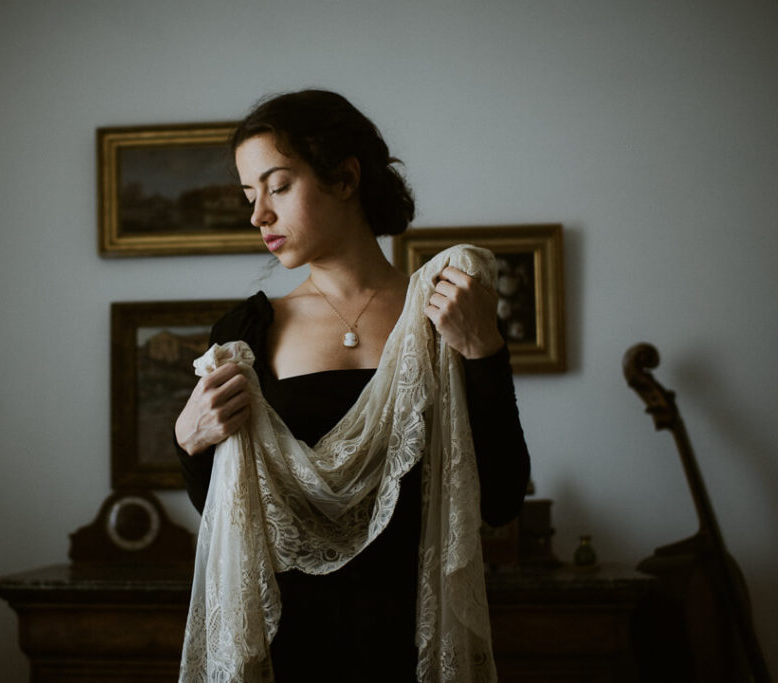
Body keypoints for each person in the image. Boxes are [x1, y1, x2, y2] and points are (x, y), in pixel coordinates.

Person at [174, 89, 530, 682]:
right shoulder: (245, 333)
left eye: (277, 186)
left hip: (413, 645)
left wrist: (485, 353)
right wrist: (189, 441)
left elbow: (501, 499)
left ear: (344, 178)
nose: (258, 214)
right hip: (293, 649)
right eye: (249, 195)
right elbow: (233, 523)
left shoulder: (443, 313)